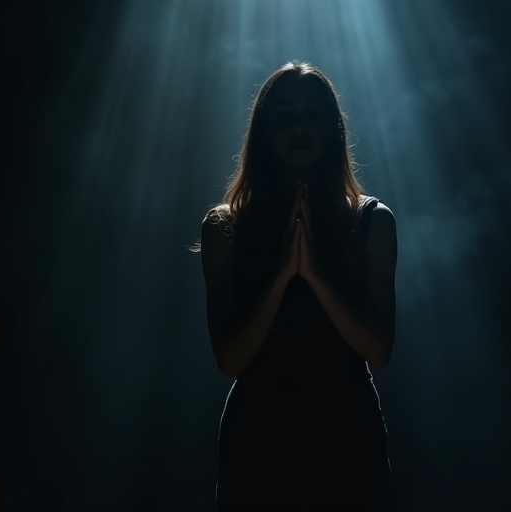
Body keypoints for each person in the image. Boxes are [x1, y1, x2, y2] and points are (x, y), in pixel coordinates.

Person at [195, 61, 397, 511]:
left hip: (350, 447)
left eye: (313, 114)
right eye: (284, 115)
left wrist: (317, 277)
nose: (300, 127)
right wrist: (284, 273)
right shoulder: (224, 227)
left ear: (334, 127)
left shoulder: (372, 221)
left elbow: (379, 352)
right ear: (264, 130)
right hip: (257, 449)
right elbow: (230, 359)